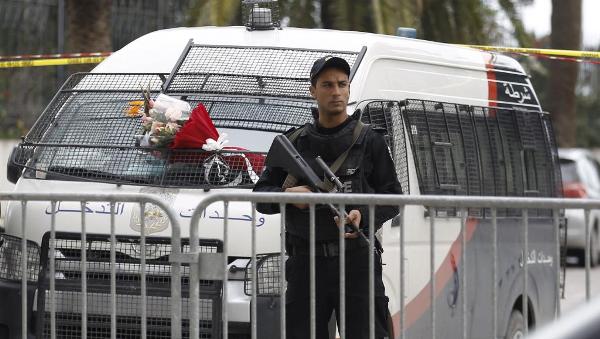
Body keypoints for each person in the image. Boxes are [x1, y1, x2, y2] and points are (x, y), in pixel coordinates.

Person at [253, 55, 402, 339]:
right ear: (313, 90)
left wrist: (363, 215)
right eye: (327, 85)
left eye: (342, 85)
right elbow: (260, 196)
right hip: (305, 264)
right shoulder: (294, 142)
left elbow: (393, 198)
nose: (336, 92)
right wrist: (287, 196)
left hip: (356, 264)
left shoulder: (370, 141)